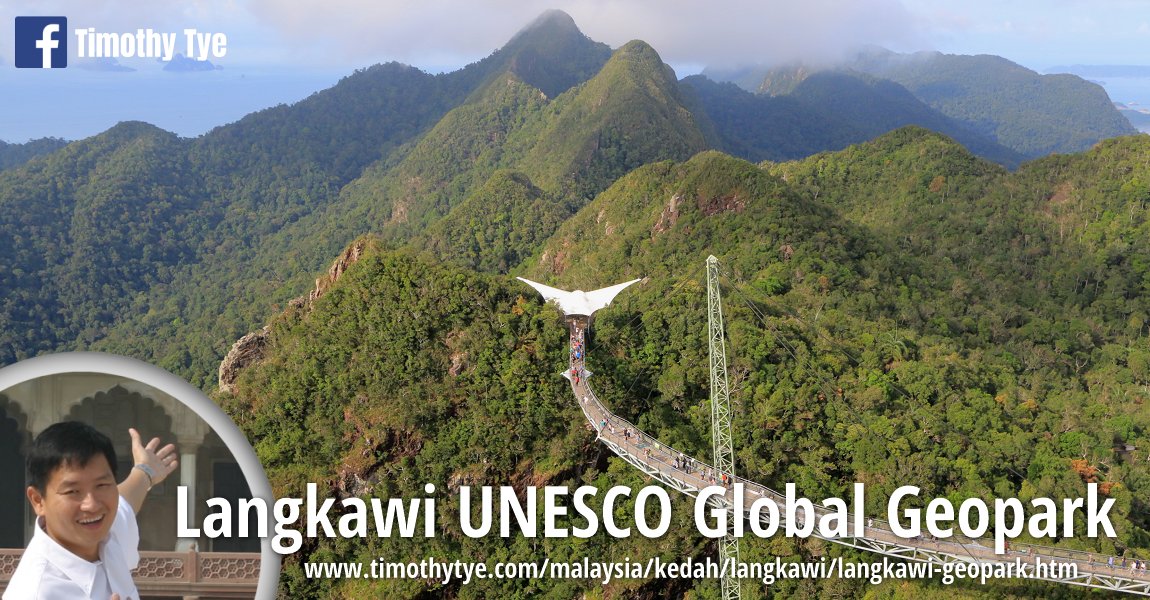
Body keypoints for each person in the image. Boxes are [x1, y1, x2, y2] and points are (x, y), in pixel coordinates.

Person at [4, 421, 179, 600]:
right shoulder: (34, 592)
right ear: (38, 500)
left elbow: (126, 500)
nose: (92, 505)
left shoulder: (106, 534)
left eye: (101, 485)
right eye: (72, 491)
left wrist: (145, 471)